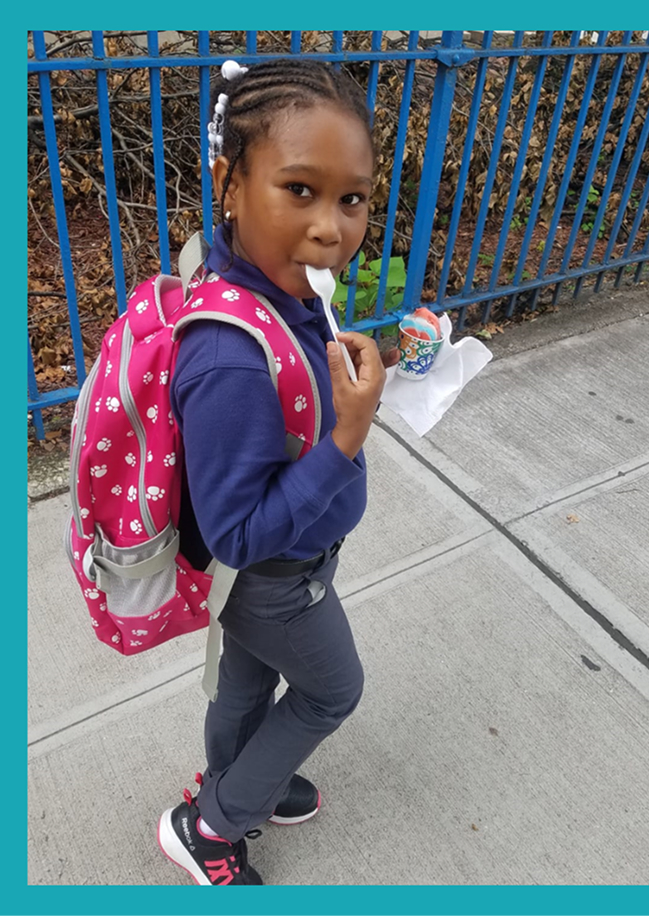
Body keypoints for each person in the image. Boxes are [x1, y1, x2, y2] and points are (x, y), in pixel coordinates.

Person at [155, 58, 394, 886]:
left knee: (249, 683)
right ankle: (212, 827)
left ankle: (236, 780)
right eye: (299, 190)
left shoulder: (273, 288)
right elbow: (239, 534)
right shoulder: (226, 356)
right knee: (331, 690)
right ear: (229, 184)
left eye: (352, 199)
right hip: (275, 578)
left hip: (280, 576)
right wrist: (347, 438)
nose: (331, 228)